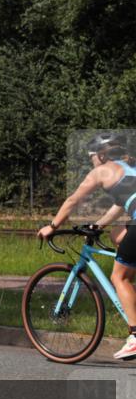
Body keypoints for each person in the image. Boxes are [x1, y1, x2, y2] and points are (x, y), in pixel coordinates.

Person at [37, 133, 136, 360]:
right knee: (117, 236)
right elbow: (121, 206)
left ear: (100, 155)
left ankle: (135, 337)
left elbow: (73, 200)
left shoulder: (101, 171)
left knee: (120, 277)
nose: (91, 162)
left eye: (91, 158)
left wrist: (52, 226)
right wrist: (97, 225)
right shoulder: (130, 167)